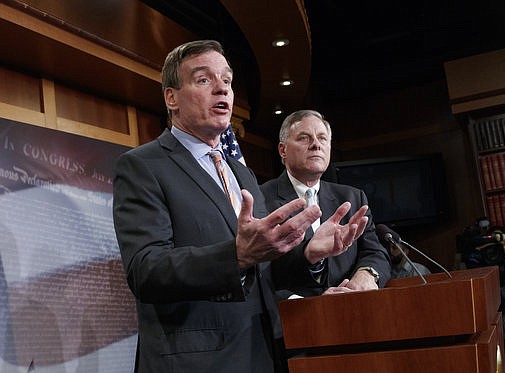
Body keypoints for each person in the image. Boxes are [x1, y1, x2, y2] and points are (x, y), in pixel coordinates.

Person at [112, 40, 368, 372]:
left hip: (261, 352)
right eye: (204, 79)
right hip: (198, 361)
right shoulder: (143, 166)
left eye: (227, 81)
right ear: (171, 97)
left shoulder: (242, 173)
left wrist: (309, 254)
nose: (222, 88)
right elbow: (145, 270)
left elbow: (262, 270)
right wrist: (236, 255)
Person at [261, 109, 391, 298]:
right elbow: (259, 273)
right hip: (292, 318)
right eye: (304, 138)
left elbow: (374, 251)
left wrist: (368, 274)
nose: (316, 145)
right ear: (283, 150)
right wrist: (309, 303)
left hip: (354, 311)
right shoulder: (261, 198)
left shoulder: (353, 198)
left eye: (322, 138)